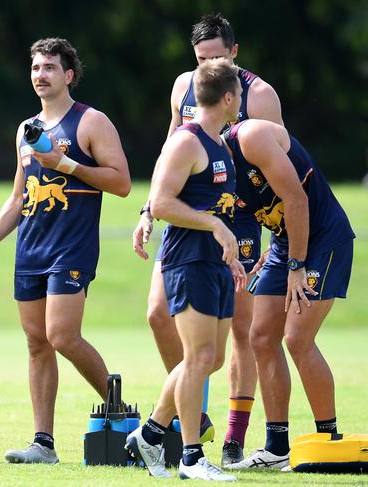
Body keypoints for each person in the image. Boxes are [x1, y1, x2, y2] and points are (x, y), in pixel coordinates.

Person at [0, 37, 130, 464]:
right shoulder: (25, 129)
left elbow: (122, 183)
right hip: (30, 249)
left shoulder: (92, 122)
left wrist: (66, 165)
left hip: (71, 247)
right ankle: (44, 444)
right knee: (37, 344)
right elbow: (18, 198)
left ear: (68, 75)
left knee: (62, 335)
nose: (41, 75)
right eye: (36, 67)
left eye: (50, 67)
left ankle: (120, 409)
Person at [132, 12, 284, 466]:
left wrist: (280, 234)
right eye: (202, 58)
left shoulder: (258, 94)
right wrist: (147, 209)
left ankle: (232, 438)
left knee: (239, 330)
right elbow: (170, 150)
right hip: (190, 221)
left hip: (238, 222)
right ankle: (181, 422)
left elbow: (280, 165)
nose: (209, 65)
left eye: (218, 56)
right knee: (160, 314)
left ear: (234, 53)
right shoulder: (186, 87)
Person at [126, 58, 244, 482]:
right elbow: (161, 203)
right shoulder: (187, 141)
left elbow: (222, 208)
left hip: (215, 264)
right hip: (186, 259)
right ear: (229, 97)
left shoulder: (222, 144)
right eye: (238, 95)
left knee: (209, 359)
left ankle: (151, 432)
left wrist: (231, 253)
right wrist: (213, 225)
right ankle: (192, 457)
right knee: (198, 357)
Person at [221, 120, 354, 470]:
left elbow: (296, 199)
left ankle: (329, 440)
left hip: (323, 238)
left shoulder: (250, 138)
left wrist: (296, 265)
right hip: (284, 244)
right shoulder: (213, 171)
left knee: (297, 338)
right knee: (261, 337)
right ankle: (276, 446)